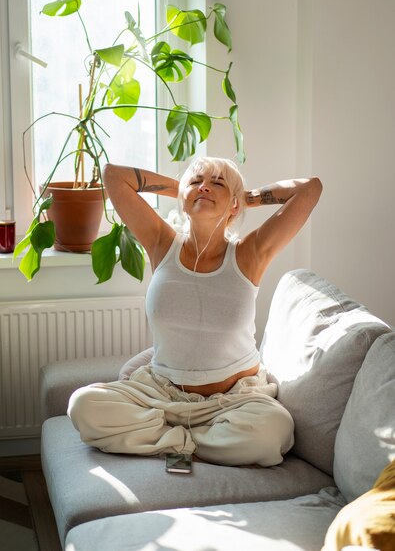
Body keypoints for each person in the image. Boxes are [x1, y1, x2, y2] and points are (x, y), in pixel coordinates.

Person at [68, 157, 322, 467]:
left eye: (217, 183)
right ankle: (195, 442)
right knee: (84, 406)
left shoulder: (249, 253)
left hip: (232, 401)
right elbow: (113, 175)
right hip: (161, 394)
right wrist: (189, 190)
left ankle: (168, 439)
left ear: (234, 208)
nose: (204, 186)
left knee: (273, 432)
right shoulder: (162, 243)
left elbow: (311, 189)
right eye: (196, 181)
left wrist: (242, 197)